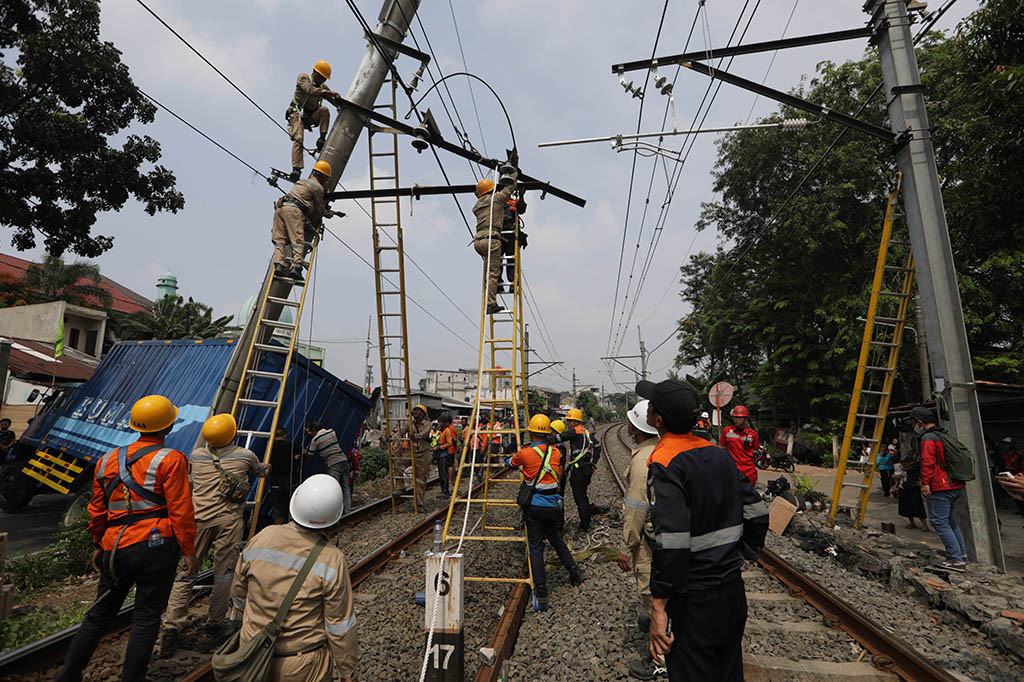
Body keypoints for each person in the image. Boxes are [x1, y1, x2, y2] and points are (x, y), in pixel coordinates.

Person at [56, 395, 197, 682]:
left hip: (114, 546)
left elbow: (97, 509)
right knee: (146, 616)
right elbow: (180, 510)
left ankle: (68, 676)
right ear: (168, 426)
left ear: (136, 425)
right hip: (155, 547)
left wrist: (99, 543)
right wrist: (189, 551)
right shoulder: (171, 459)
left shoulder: (107, 459)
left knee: (98, 615)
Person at [637, 379, 768, 682]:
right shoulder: (718, 453)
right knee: (728, 671)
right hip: (732, 592)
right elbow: (758, 512)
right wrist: (741, 554)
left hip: (694, 600)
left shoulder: (664, 460)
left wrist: (659, 606)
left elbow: (672, 540)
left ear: (657, 418)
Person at [230, 474, 357, 682]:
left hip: (252, 654)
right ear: (335, 519)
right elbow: (339, 625)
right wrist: (347, 672)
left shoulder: (263, 536)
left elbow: (238, 592)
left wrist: (241, 626)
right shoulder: (332, 559)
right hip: (301, 665)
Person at [161, 414, 269, 656]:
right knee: (223, 575)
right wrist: (266, 467)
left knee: (186, 572)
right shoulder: (245, 455)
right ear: (232, 434)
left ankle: (171, 629)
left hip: (197, 521)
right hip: (228, 522)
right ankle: (215, 625)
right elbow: (260, 472)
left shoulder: (197, 455)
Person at [504, 414, 584, 611]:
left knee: (536, 546)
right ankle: (574, 571)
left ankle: (541, 589)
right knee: (556, 539)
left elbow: (510, 463)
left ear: (531, 432)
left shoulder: (524, 453)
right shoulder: (555, 452)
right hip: (553, 505)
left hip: (535, 506)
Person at [615, 399, 664, 680]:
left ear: (637, 428)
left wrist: (626, 546)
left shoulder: (641, 459)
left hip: (648, 538)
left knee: (650, 590)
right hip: (666, 536)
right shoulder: (662, 449)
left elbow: (635, 508)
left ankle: (662, 658)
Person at [912, 406, 967, 571]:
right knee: (949, 520)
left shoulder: (928, 438)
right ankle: (961, 553)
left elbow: (927, 462)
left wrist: (925, 483)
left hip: (939, 485)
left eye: (914, 422)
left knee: (938, 521)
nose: (913, 425)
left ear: (920, 422)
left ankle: (955, 559)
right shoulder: (942, 434)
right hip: (954, 484)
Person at [272, 159, 339, 280]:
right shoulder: (318, 188)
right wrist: (329, 213)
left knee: (280, 240)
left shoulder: (302, 182)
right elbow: (319, 209)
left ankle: (279, 265)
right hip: (294, 211)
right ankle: (296, 267)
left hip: (281, 207)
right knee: (297, 240)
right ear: (323, 177)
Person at [472, 153, 518, 315]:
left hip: (478, 242)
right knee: (493, 273)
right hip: (492, 240)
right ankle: (491, 304)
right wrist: (514, 172)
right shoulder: (496, 200)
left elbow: (480, 195)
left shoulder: (477, 205)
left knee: (490, 272)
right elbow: (510, 188)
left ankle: (491, 295)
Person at [286, 60, 341, 180]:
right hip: (297, 114)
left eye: (324, 79)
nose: (322, 81)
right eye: (321, 77)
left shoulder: (322, 87)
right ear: (315, 73)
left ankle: (322, 138)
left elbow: (330, 99)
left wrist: (339, 104)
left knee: (324, 110)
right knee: (298, 138)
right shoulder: (303, 78)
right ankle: (297, 169)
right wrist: (328, 92)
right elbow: (309, 90)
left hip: (311, 117)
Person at [548, 407, 599, 535]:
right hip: (586, 468)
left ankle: (584, 526)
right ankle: (586, 520)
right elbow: (597, 446)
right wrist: (594, 462)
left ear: (575, 422)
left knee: (580, 498)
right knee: (583, 495)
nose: (568, 424)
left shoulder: (574, 432)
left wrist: (540, 439)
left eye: (569, 421)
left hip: (579, 470)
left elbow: (558, 438)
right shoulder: (587, 432)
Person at [305, 421, 352, 515]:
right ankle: (347, 511)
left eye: (311, 431)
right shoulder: (331, 432)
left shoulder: (315, 439)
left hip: (333, 464)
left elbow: (310, 455)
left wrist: (304, 452)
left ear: (313, 430)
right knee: (345, 487)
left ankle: (334, 513)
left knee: (334, 489)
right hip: (343, 460)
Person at [719, 405, 759, 486]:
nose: (737, 420)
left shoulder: (753, 435)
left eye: (739, 418)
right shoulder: (727, 431)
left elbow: (755, 453)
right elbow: (721, 449)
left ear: (745, 419)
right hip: (732, 471)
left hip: (749, 472)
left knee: (748, 497)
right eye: (735, 417)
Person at [893, 443, 929, 531]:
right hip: (905, 487)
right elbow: (896, 476)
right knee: (906, 507)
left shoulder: (916, 466)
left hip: (914, 487)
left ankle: (924, 525)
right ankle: (912, 523)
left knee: (918, 507)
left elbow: (909, 474)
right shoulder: (904, 465)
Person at [268, 426, 300, 524]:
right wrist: (296, 458)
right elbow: (304, 453)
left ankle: (278, 530)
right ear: (284, 435)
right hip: (289, 480)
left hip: (275, 481)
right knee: (292, 505)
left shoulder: (270, 446)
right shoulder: (290, 445)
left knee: (277, 508)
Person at [406, 404, 433, 509]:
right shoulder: (409, 423)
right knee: (397, 465)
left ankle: (419, 503)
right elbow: (401, 432)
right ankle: (400, 487)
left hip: (423, 453)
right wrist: (392, 438)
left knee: (420, 479)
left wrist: (415, 436)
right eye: (414, 410)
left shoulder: (428, 424)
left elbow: (423, 434)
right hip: (411, 452)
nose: (415, 412)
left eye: (418, 410)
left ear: (423, 414)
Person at [436, 414, 458, 496]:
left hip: (444, 454)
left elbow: (449, 443)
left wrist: (440, 447)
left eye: (440, 423)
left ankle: (446, 491)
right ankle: (443, 490)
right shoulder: (441, 431)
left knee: (444, 473)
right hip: (440, 454)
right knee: (441, 473)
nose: (439, 424)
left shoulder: (447, 431)